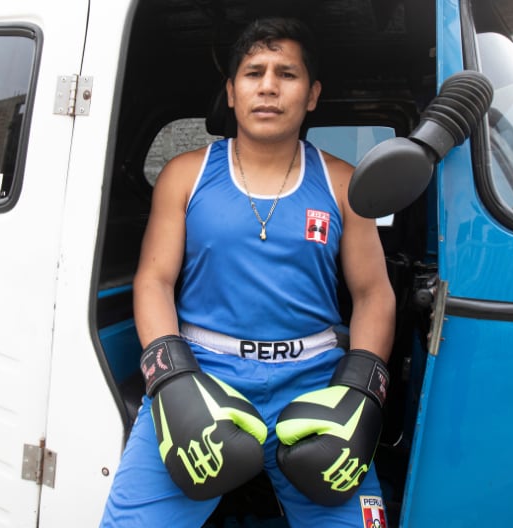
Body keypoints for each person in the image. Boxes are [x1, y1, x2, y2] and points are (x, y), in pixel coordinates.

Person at [101, 17, 396, 527]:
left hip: (314, 382)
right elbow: (154, 280)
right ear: (232, 93)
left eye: (287, 74)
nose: (268, 86)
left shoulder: (344, 182)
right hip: (200, 372)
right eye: (253, 72)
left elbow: (373, 294)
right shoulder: (185, 174)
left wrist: (361, 392)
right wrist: (171, 379)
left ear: (312, 94)